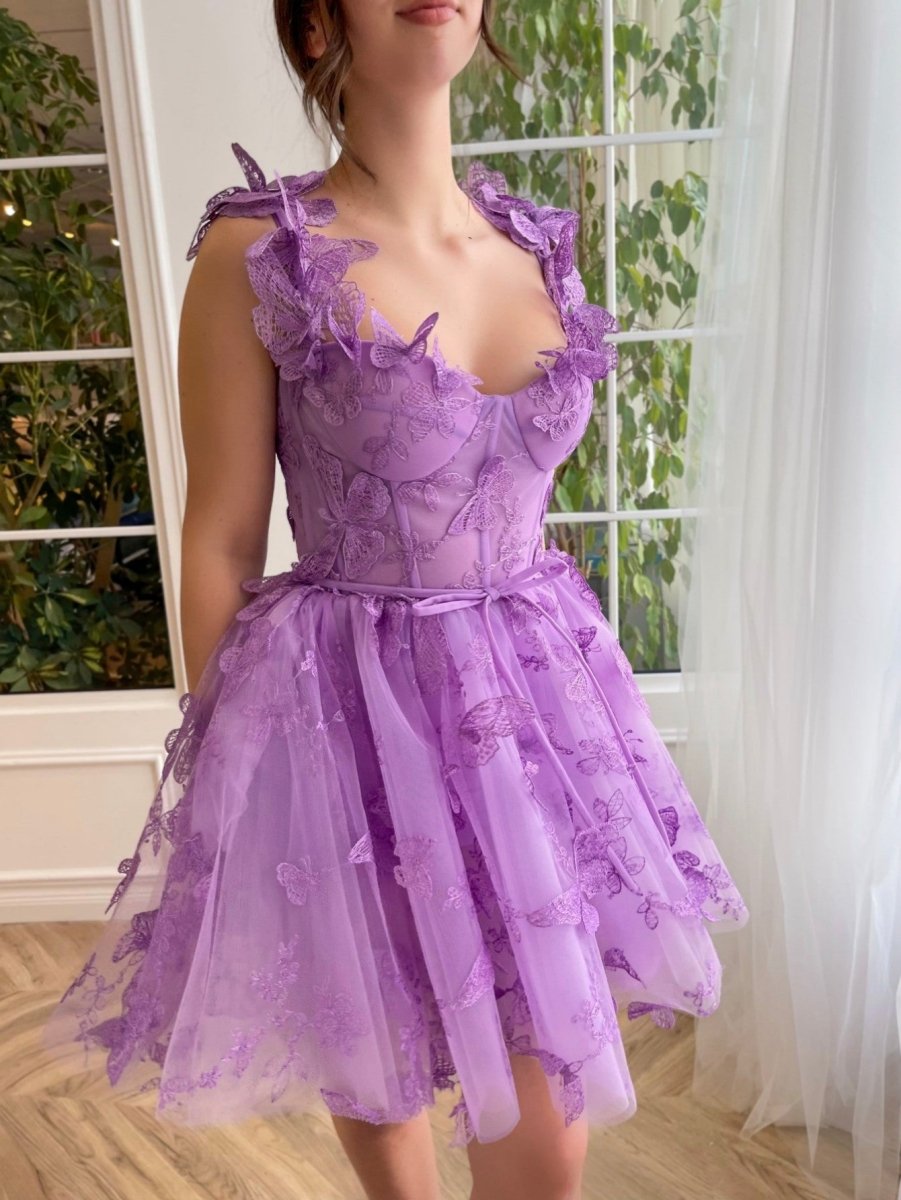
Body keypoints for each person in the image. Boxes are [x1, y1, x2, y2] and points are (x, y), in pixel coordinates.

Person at [41, 3, 749, 1200]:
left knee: (547, 1130)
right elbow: (220, 536)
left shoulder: (536, 245)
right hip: (345, 711)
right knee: (372, 1025)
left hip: (529, 720)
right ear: (319, 20)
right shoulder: (260, 252)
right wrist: (238, 773)